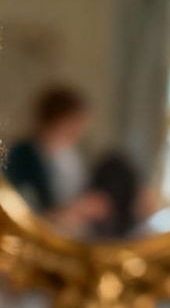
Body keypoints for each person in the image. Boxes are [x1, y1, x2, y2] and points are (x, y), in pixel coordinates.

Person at [4, 86, 109, 234]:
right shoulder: (23, 155)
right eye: (75, 121)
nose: (79, 129)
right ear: (58, 118)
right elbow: (21, 211)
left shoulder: (72, 154)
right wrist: (71, 211)